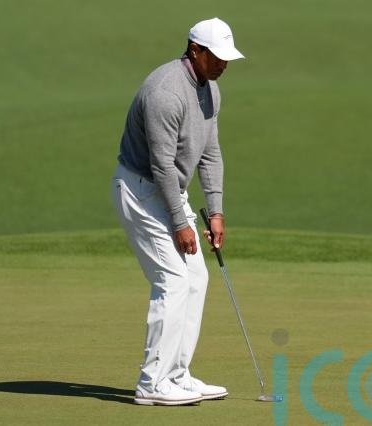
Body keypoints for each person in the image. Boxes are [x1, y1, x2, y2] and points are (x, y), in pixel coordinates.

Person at [111, 17, 244, 406]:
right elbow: (163, 166)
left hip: (168, 191)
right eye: (216, 56)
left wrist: (215, 211)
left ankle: (176, 374)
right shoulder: (165, 92)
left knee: (196, 277)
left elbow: (210, 152)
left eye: (227, 57)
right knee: (172, 279)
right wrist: (180, 222)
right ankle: (152, 382)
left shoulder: (210, 90)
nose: (223, 64)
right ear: (195, 50)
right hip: (140, 191)